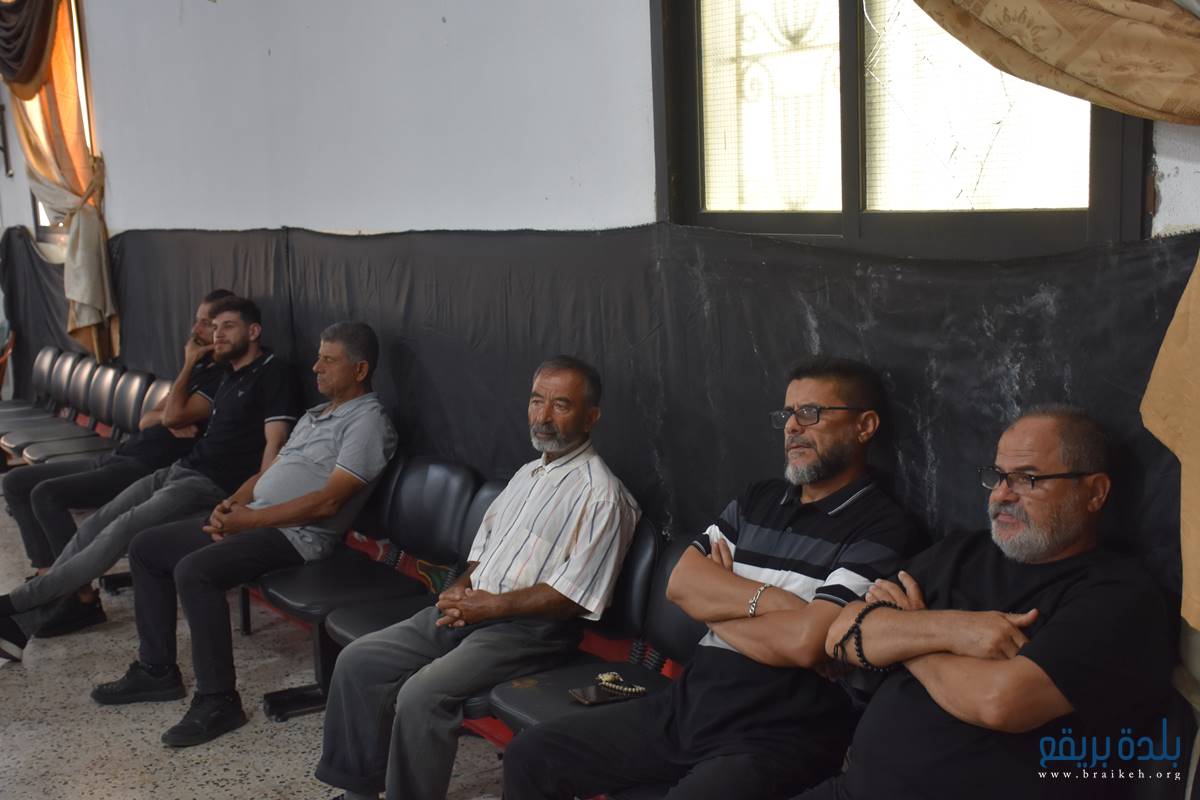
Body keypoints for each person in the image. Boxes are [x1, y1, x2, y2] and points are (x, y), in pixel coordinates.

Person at [502, 357, 924, 800]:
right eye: (787, 414)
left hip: (777, 736)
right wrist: (773, 602)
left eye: (811, 413)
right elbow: (680, 584)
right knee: (532, 755)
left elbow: (807, 642)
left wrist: (715, 610)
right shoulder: (759, 500)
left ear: (864, 426)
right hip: (686, 708)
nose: (792, 427)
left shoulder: (881, 528)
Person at [794, 406, 1173, 800]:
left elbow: (1000, 702)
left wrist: (908, 637)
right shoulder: (960, 553)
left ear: (1094, 492)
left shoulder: (1118, 595)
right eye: (998, 476)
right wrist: (954, 630)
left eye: (1027, 479)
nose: (1002, 494)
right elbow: (841, 633)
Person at [315, 355, 640, 800]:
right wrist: (461, 587)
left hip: (530, 632)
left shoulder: (602, 496)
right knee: (359, 661)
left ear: (591, 417)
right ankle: (358, 791)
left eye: (561, 405)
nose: (543, 416)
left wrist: (492, 606)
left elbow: (575, 595)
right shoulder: (529, 473)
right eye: (537, 401)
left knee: (422, 695)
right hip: (475, 609)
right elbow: (484, 552)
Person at [91, 321, 398, 747]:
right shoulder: (317, 414)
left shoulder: (367, 423)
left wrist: (248, 522)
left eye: (329, 360)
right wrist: (230, 505)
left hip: (297, 536)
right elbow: (268, 473)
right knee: (147, 547)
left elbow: (329, 503)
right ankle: (156, 670)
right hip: (257, 519)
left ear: (360, 370)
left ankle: (218, 700)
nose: (316, 367)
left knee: (195, 571)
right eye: (318, 357)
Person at [0, 296, 299, 661]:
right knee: (95, 524)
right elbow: (159, 418)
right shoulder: (227, 374)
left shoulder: (274, 373)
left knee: (121, 530)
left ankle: (13, 604)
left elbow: (276, 444)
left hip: (208, 486)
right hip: (180, 469)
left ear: (254, 331)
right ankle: (20, 625)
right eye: (215, 327)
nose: (217, 334)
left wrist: (251, 503)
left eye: (228, 327)